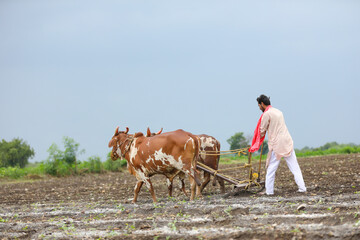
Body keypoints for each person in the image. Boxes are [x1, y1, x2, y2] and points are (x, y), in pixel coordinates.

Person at [249, 94, 306, 195]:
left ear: (262, 104)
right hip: (287, 142)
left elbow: (261, 130)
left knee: (271, 168)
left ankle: (269, 192)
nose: (259, 108)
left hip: (277, 144)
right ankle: (302, 188)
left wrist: (259, 137)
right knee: (295, 167)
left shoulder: (267, 114)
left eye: (259, 106)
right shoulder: (279, 111)